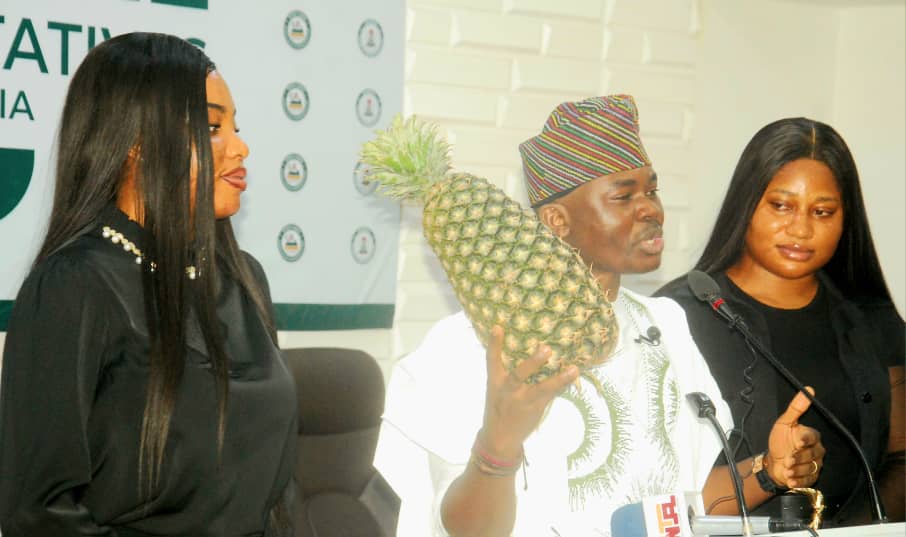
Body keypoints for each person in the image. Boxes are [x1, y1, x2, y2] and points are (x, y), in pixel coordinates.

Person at [374, 96, 825, 536]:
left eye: (652, 190)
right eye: (623, 196)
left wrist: (768, 471)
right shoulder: (465, 345)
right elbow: (462, 529)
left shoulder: (665, 322)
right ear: (556, 220)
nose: (651, 209)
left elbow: (677, 509)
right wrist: (498, 443)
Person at [0, 33, 297, 536]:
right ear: (137, 143)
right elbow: (38, 514)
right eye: (212, 127)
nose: (240, 146)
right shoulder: (74, 286)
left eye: (236, 127)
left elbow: (281, 493)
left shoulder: (245, 278)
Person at [656, 117, 905, 525]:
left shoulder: (872, 319)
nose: (801, 229)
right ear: (745, 204)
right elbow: (654, 479)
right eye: (781, 206)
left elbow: (902, 458)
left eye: (822, 211)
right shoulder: (677, 314)